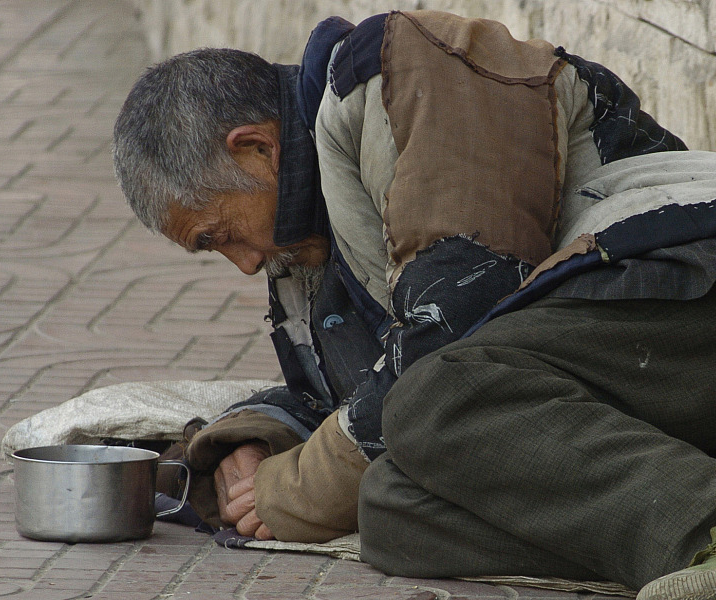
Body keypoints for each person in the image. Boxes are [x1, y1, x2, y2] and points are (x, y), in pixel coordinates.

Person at [113, 10, 716, 600]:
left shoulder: (402, 71)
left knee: (431, 399)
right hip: (620, 371)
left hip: (676, 281)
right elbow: (353, 399)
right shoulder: (306, 242)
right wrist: (253, 443)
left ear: (256, 150)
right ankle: (672, 540)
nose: (243, 264)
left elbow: (451, 328)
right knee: (390, 505)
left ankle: (703, 535)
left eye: (217, 235)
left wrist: (295, 486)